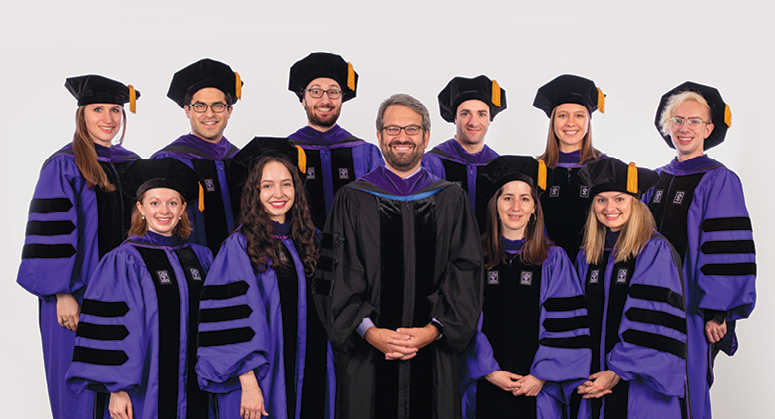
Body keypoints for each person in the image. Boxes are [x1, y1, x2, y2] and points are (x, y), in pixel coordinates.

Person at [312, 93, 484, 419]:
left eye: (411, 129)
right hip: (367, 355)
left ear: (426, 137)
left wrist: (432, 330)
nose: (402, 137)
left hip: (432, 354)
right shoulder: (352, 198)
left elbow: (466, 272)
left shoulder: (450, 199)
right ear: (378, 137)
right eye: (392, 129)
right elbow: (334, 276)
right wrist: (369, 331)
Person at [16, 74, 140, 419]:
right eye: (98, 109)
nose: (108, 118)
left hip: (125, 297)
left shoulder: (132, 164)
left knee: (125, 392)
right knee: (80, 390)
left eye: (116, 110)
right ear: (81, 115)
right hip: (77, 298)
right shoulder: (64, 165)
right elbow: (48, 235)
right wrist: (61, 293)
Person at [66, 159, 213, 419]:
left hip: (197, 386)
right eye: (154, 202)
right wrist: (117, 389)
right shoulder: (123, 260)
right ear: (140, 208)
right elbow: (110, 327)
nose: (164, 210)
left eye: (172, 203)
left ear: (182, 209)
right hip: (146, 387)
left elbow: (216, 320)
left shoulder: (201, 258)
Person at [645, 82, 756, 419]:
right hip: (649, 301)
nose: (685, 128)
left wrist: (717, 310)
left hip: (692, 305)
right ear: (667, 126)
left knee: (686, 383)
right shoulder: (655, 180)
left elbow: (726, 248)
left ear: (709, 128)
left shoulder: (718, 179)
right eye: (677, 120)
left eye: (694, 121)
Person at [196, 145, 333, 419]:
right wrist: (247, 384)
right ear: (254, 193)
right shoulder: (239, 246)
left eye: (286, 184)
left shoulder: (312, 241)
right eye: (267, 186)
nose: (278, 194)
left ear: (297, 189)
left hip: (314, 368)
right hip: (262, 378)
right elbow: (228, 323)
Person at [460, 156, 591, 418]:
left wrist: (541, 376)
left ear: (534, 208)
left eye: (525, 198)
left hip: (538, 391)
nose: (515, 206)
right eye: (507, 197)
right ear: (495, 205)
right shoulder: (476, 258)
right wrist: (488, 370)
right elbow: (465, 318)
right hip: (486, 383)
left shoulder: (554, 259)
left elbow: (567, 325)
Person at [575, 158, 687, 418]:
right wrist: (579, 372)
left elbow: (653, 322)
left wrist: (615, 371)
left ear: (635, 204)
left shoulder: (653, 249)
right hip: (591, 382)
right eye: (601, 200)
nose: (609, 207)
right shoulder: (587, 255)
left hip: (639, 389)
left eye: (619, 199)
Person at [153, 58, 244, 254]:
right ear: (187, 110)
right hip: (191, 269)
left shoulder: (242, 160)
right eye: (200, 106)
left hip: (243, 267)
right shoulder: (169, 161)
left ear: (229, 110)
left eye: (218, 105)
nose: (209, 114)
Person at [287, 52, 383, 228]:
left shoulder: (365, 152)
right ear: (303, 99)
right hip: (301, 251)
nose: (325, 100)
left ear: (342, 99)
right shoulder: (287, 151)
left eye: (333, 92)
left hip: (354, 251)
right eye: (316, 91)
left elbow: (382, 209)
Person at [533, 74, 606, 262]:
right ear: (553, 122)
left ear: (588, 122)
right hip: (546, 267)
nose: (571, 123)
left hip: (593, 266)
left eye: (579, 115)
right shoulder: (535, 169)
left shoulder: (606, 169)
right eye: (563, 115)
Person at [423, 75, 506, 214]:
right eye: (465, 114)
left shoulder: (500, 167)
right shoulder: (432, 163)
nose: (473, 122)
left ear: (490, 119)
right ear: (454, 118)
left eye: (481, 114)